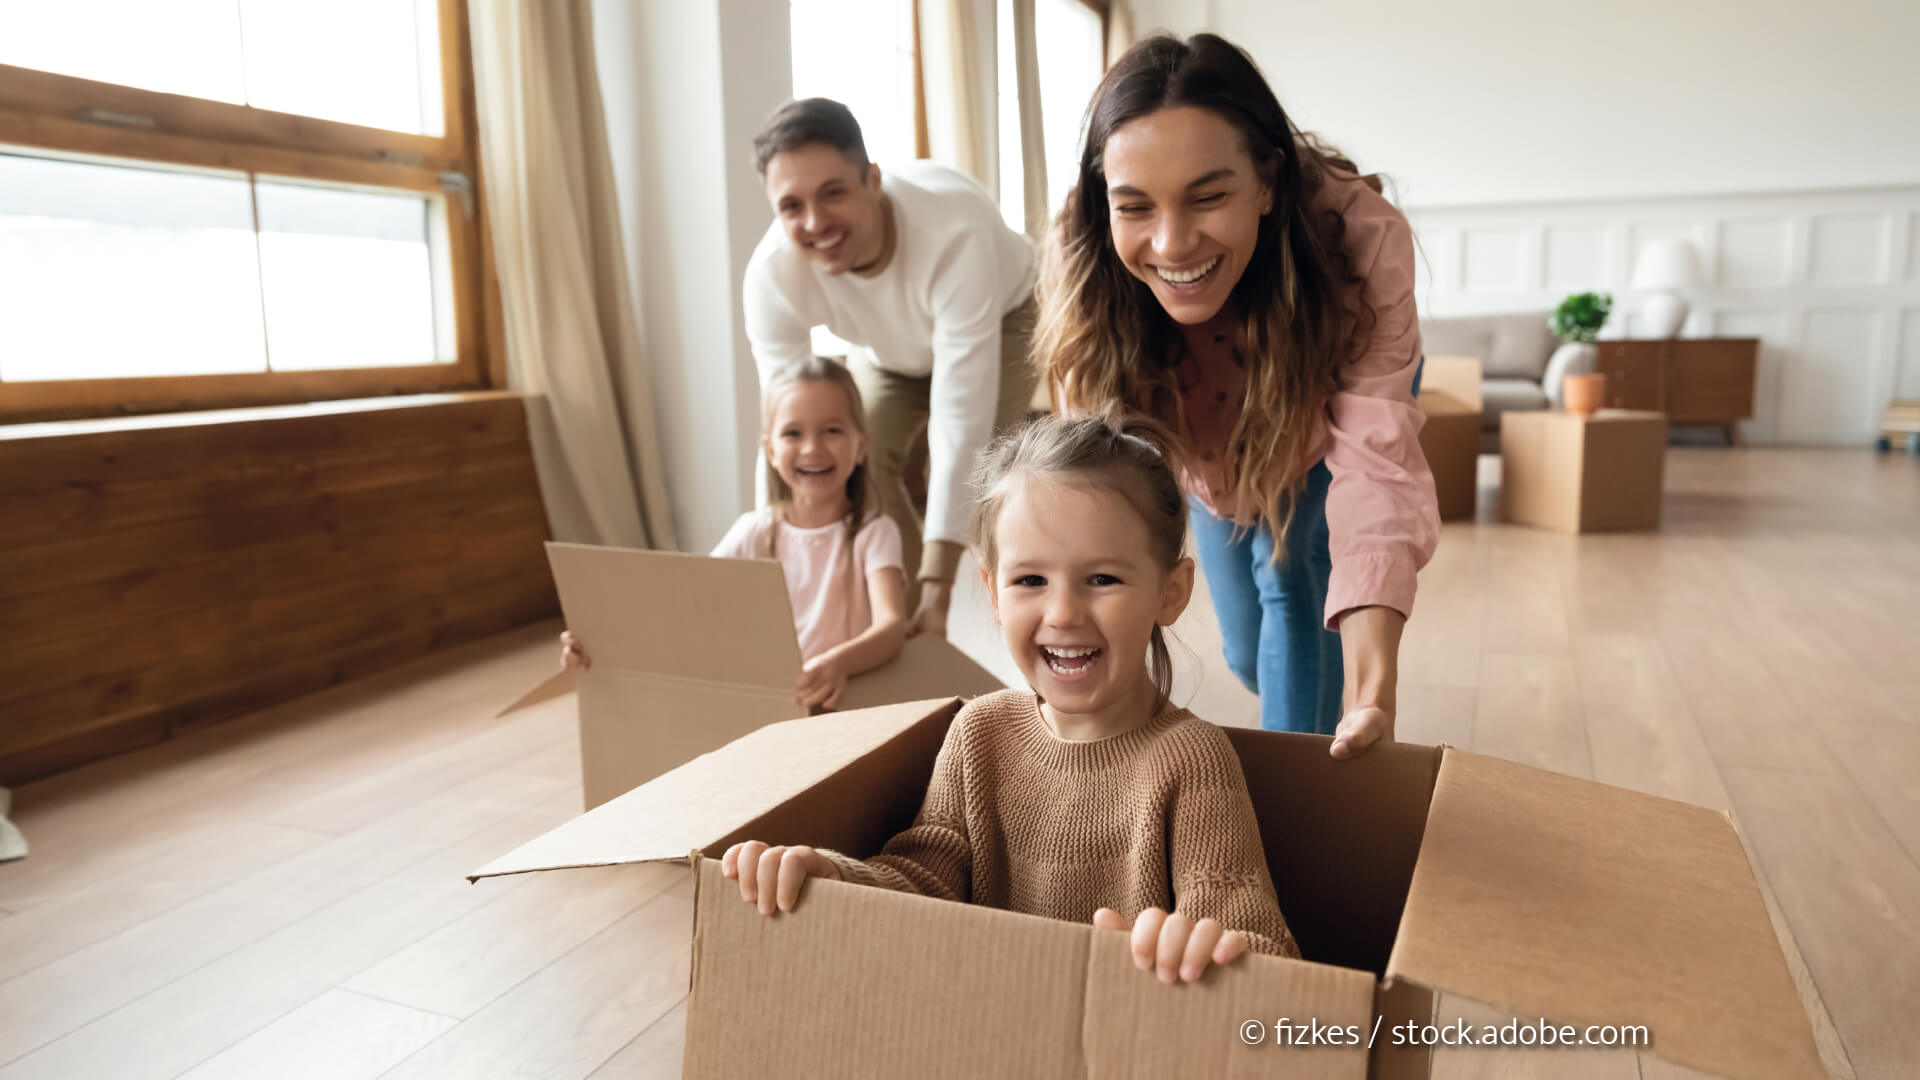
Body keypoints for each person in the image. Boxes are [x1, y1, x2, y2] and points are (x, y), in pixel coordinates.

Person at [721, 416, 1301, 983]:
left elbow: (1265, 950)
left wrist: (1200, 952)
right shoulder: (979, 733)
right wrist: (835, 878)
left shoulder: (1193, 761)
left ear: (1170, 594)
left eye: (1103, 579)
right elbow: (926, 880)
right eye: (1030, 581)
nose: (1063, 613)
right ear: (993, 592)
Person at [1033, 34, 1439, 756]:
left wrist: (1373, 690)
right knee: (1249, 654)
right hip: (1206, 456)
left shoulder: (1361, 241)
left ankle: (1302, 802)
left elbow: (1376, 473)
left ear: (1268, 181)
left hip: (1320, 426)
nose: (1172, 243)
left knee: (1291, 585)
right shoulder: (1086, 250)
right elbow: (1088, 473)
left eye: (1209, 197)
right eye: (1136, 207)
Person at [742, 97, 1037, 640]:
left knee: (985, 480)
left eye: (833, 192)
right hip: (887, 348)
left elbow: (960, 419)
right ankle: (894, 627)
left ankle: (982, 616)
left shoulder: (953, 229)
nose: (814, 223)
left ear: (872, 180)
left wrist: (939, 587)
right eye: (791, 206)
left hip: (1003, 315)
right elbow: (783, 431)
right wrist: (770, 567)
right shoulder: (771, 278)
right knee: (852, 453)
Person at [562, 356, 905, 710]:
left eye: (831, 430)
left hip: (844, 708)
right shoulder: (753, 532)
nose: (811, 448)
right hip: (765, 707)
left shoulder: (874, 533)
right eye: (792, 433)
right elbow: (685, 603)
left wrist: (838, 664)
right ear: (770, 450)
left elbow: (892, 626)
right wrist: (600, 641)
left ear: (861, 446)